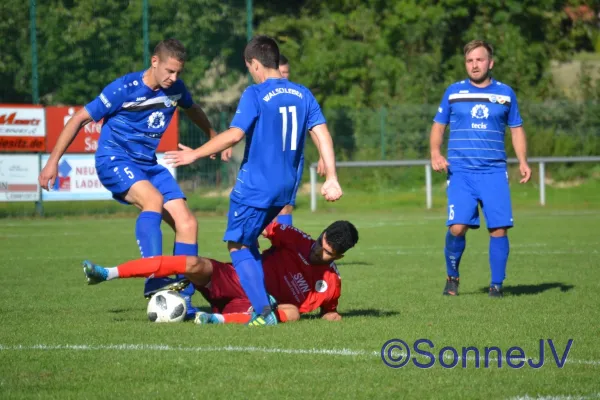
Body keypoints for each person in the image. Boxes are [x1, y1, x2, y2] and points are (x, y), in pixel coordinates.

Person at [38, 39, 229, 317]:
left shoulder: (175, 89)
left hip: (148, 165)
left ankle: (181, 297)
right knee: (152, 200)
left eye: (178, 73)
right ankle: (154, 274)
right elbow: (78, 118)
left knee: (187, 222)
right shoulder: (123, 88)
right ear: (154, 62)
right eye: (169, 71)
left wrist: (212, 136)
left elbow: (193, 108)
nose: (173, 78)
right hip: (114, 159)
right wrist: (52, 162)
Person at [164, 35, 343, 325]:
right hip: (286, 188)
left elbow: (235, 134)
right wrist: (332, 177)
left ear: (255, 64)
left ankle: (263, 311)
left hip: (256, 187)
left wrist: (194, 154)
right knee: (251, 241)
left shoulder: (255, 94)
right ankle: (260, 298)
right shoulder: (303, 93)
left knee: (238, 245)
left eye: (250, 68)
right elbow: (322, 133)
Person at [82, 220, 359, 325]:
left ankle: (213, 319)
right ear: (321, 233)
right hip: (236, 278)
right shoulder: (295, 237)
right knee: (192, 263)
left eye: (326, 254)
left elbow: (329, 313)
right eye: (319, 244)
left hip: (258, 306)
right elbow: (262, 223)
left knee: (294, 313)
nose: (316, 252)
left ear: (339, 257)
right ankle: (107, 273)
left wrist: (334, 317)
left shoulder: (331, 283)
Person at [429, 40, 531, 298]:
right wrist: (435, 153)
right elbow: (439, 126)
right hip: (461, 172)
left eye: (479, 60)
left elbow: (516, 129)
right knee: (457, 227)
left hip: (494, 171)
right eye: (470, 61)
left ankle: (496, 285)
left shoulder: (506, 94)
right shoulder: (453, 92)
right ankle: (452, 277)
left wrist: (523, 161)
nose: (474, 65)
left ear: (490, 63)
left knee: (498, 228)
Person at [275, 55, 326, 227]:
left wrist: (322, 155)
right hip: (266, 160)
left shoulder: (300, 95)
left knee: (286, 206)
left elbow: (316, 128)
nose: (283, 76)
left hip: (292, 160)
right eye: (279, 72)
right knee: (263, 206)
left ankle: (284, 248)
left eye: (286, 72)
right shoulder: (261, 95)